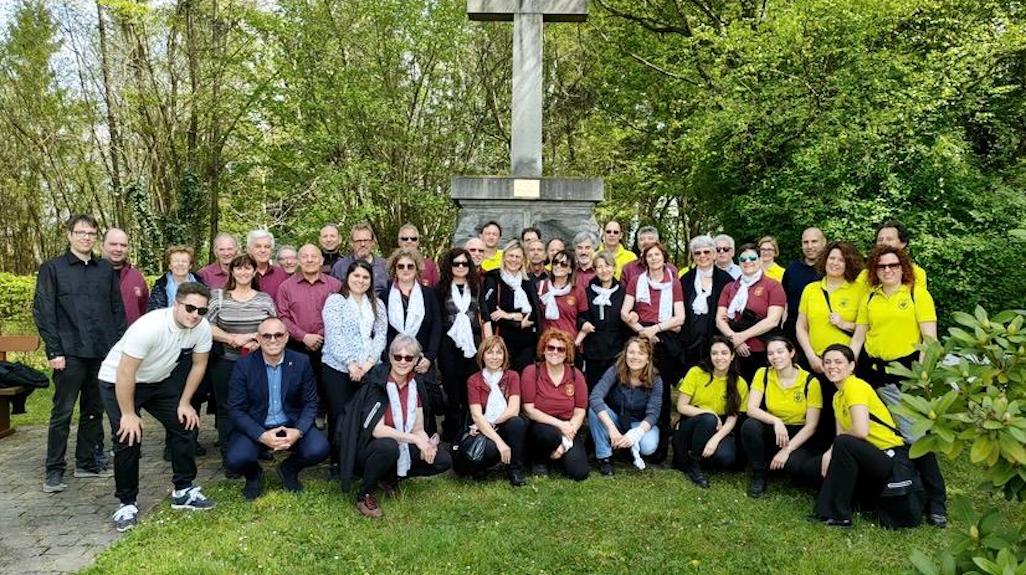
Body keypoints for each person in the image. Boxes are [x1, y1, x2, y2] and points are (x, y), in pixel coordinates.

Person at [97, 282, 215, 532]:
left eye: (201, 311)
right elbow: (125, 371)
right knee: (128, 437)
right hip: (117, 380)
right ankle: (126, 503)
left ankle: (183, 491)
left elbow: (199, 365)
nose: (195, 315)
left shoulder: (201, 327)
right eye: (190, 308)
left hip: (157, 381)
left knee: (185, 424)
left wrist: (185, 403)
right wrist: (128, 414)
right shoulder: (150, 327)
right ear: (176, 304)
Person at [35, 215, 125, 493]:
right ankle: (54, 470)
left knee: (93, 410)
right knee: (62, 412)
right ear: (69, 235)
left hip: (101, 352)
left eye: (90, 233)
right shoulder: (53, 269)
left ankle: (86, 462)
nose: (86, 237)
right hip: (69, 352)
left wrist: (119, 348)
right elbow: (44, 311)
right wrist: (54, 349)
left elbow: (117, 311)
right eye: (80, 232)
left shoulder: (105, 270)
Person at [812, 344, 946, 527]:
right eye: (827, 362)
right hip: (870, 455)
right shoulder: (838, 397)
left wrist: (836, 445)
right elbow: (841, 433)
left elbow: (860, 431)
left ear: (851, 366)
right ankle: (830, 511)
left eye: (838, 362)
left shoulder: (854, 386)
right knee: (834, 452)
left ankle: (839, 515)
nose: (832, 366)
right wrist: (830, 452)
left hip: (889, 454)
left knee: (843, 444)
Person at [338, 336, 452, 519]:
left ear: (416, 360)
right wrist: (415, 440)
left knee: (443, 460)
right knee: (388, 446)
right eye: (398, 356)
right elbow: (377, 430)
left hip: (402, 445)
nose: (403, 361)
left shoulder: (416, 385)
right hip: (368, 449)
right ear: (390, 357)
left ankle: (391, 478)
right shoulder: (378, 383)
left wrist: (426, 443)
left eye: (409, 358)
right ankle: (365, 494)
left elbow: (418, 428)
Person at [225, 318, 329, 500]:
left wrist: (298, 430)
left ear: (287, 337)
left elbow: (311, 402)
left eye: (278, 335)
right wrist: (261, 435)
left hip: (290, 424)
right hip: (258, 425)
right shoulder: (244, 365)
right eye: (267, 336)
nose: (273, 340)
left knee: (319, 448)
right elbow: (236, 409)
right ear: (258, 338)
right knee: (236, 459)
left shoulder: (301, 362)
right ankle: (253, 475)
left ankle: (288, 469)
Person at [206, 254, 277, 474]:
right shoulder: (218, 297)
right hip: (227, 361)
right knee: (227, 409)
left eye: (248, 268)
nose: (244, 272)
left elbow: (274, 325)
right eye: (239, 268)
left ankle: (258, 446)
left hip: (257, 360)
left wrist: (257, 338)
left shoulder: (264, 299)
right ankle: (230, 457)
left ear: (255, 271)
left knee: (257, 405)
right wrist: (231, 339)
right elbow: (207, 326)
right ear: (232, 271)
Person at [621, 242, 686, 462]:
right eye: (650, 256)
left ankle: (660, 445)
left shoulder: (674, 283)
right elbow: (625, 312)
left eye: (658, 255)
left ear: (664, 257)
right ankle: (631, 437)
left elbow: (680, 317)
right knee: (636, 385)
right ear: (644, 259)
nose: (654, 259)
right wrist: (643, 331)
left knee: (662, 392)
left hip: (664, 336)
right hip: (641, 337)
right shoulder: (635, 281)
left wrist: (655, 329)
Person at [321, 260, 387, 472]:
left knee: (363, 414)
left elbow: (381, 335)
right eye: (356, 276)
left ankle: (359, 458)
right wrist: (350, 364)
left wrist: (367, 364)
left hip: (369, 367)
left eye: (365, 277)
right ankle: (338, 461)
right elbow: (334, 335)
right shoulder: (335, 301)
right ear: (347, 277)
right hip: (338, 368)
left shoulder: (377, 304)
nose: (360, 280)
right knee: (340, 414)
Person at [740, 337, 822, 498]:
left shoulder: (810, 382)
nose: (775, 357)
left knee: (794, 466)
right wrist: (776, 421)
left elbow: (811, 426)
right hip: (775, 429)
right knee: (750, 425)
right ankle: (759, 473)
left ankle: (781, 462)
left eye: (780, 351)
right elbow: (751, 408)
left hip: (798, 433)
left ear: (791, 352)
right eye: (770, 353)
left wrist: (787, 450)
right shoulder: (763, 373)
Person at [849, 246, 937, 389]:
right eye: (881, 266)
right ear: (874, 270)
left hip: (906, 371)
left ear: (903, 268)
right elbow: (858, 339)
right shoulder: (869, 298)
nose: (887, 270)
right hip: (870, 369)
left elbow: (930, 341)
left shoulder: (917, 294)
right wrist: (848, 369)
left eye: (893, 265)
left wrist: (922, 375)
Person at [275, 245, 342, 427]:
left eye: (314, 256)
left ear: (321, 260)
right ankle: (297, 434)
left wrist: (319, 336)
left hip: (329, 346)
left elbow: (341, 315)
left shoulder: (335, 285)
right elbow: (282, 316)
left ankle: (331, 440)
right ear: (298, 261)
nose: (310, 260)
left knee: (329, 392)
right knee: (296, 391)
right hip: (296, 346)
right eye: (305, 256)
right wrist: (304, 336)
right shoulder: (285, 287)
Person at [672, 336, 748, 488]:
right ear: (710, 355)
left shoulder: (740, 383)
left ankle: (693, 456)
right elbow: (681, 407)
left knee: (726, 458)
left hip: (717, 428)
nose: (719, 357)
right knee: (708, 419)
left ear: (732, 356)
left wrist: (716, 439)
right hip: (690, 422)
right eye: (715, 353)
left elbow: (732, 419)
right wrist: (710, 414)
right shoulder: (696, 373)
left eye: (724, 353)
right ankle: (694, 464)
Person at [384, 248, 442, 435]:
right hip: (396, 361)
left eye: (410, 266)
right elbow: (381, 331)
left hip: (423, 361)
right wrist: (391, 360)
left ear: (417, 269)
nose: (406, 269)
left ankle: (427, 445)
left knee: (425, 403)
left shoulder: (428, 294)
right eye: (401, 266)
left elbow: (436, 327)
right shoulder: (385, 296)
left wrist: (430, 357)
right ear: (394, 269)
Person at [456, 336, 528, 486]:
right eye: (490, 352)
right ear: (482, 355)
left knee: (517, 423)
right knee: (489, 449)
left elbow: (513, 409)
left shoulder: (512, 376)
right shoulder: (474, 380)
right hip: (482, 428)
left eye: (498, 353)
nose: (494, 357)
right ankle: (483, 467)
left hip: (502, 423)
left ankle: (514, 469)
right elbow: (476, 415)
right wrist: (499, 442)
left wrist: (490, 421)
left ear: (504, 356)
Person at [520, 329, 589, 480]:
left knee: (579, 473)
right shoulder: (532, 372)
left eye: (560, 349)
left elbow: (580, 411)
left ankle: (558, 453)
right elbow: (529, 410)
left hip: (568, 426)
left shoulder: (575, 374)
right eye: (550, 347)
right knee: (547, 434)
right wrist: (560, 425)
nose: (555, 352)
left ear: (567, 353)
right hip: (541, 425)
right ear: (543, 350)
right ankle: (539, 461)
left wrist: (568, 437)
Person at [588, 337, 662, 475]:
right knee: (594, 408)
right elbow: (595, 396)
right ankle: (605, 457)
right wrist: (611, 428)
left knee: (648, 446)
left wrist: (637, 433)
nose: (635, 357)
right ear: (625, 354)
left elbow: (654, 414)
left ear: (648, 358)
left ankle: (626, 446)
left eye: (641, 353)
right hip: (616, 419)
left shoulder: (656, 379)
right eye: (631, 352)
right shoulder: (615, 370)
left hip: (639, 423)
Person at [437, 248, 488, 442]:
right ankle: (451, 432)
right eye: (456, 263)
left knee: (470, 388)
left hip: (472, 346)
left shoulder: (476, 287)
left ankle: (470, 430)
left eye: (464, 263)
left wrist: (488, 345)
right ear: (449, 266)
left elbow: (485, 315)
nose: (460, 267)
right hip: (448, 346)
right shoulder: (440, 288)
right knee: (451, 390)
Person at [716, 242, 786, 382]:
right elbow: (719, 320)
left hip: (763, 351)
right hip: (735, 350)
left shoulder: (773, 285)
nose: (748, 262)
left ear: (760, 260)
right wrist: (735, 339)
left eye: (752, 258)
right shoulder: (730, 287)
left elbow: (773, 320)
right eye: (743, 259)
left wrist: (742, 336)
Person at [796, 241, 865, 374]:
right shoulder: (810, 289)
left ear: (849, 264)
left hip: (845, 364)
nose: (835, 263)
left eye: (841, 260)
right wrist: (811, 356)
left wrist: (845, 324)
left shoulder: (860, 290)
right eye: (832, 258)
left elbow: (867, 328)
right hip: (817, 362)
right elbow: (801, 326)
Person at [482, 241, 542, 372]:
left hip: (526, 344)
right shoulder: (493, 278)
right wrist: (518, 323)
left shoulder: (528, 282)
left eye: (517, 257)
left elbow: (535, 313)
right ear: (504, 257)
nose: (513, 260)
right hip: (502, 343)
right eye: (510, 256)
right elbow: (493, 314)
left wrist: (509, 315)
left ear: (523, 260)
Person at [678, 235, 733, 371]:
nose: (702, 256)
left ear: (714, 254)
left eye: (706, 252)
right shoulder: (685, 279)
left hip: (716, 339)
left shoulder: (726, 280)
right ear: (693, 256)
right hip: (690, 338)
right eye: (697, 253)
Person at [577, 251, 626, 388]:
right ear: (595, 270)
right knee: (593, 388)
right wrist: (583, 323)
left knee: (613, 389)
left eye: (608, 266)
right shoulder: (587, 292)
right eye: (599, 267)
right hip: (593, 351)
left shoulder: (623, 292)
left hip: (616, 351)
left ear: (614, 268)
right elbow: (579, 315)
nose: (604, 270)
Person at [781, 227, 826, 342]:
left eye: (814, 241)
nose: (809, 246)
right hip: (793, 332)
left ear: (824, 242)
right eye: (806, 242)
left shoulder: (832, 269)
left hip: (824, 330)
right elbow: (784, 301)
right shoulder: (792, 270)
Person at [855, 220, 927, 288]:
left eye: (889, 239)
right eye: (880, 240)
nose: (883, 243)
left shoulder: (917, 274)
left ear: (903, 243)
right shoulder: (865, 275)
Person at [102, 228, 148, 326]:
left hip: (132, 338)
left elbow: (145, 312)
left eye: (123, 245)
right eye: (113, 244)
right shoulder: (89, 274)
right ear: (102, 245)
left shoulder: (136, 277)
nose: (118, 249)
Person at [536, 250, 588, 337]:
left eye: (563, 264)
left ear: (570, 270)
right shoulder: (540, 287)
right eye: (555, 262)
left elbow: (584, 319)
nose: (558, 266)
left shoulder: (578, 290)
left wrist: (576, 342)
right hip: (546, 343)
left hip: (569, 341)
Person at [331, 222, 390, 297]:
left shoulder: (385, 266)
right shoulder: (340, 267)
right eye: (358, 241)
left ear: (373, 242)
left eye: (366, 240)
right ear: (352, 243)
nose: (362, 244)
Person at [148, 245, 202, 311]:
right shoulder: (160, 287)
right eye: (176, 261)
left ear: (190, 265)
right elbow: (154, 313)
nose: (180, 264)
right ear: (170, 265)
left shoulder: (202, 285)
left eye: (184, 261)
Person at [247, 229, 289, 300]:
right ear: (249, 250)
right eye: (258, 246)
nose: (263, 250)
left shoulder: (282, 275)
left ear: (272, 251)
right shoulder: (241, 274)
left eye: (267, 247)